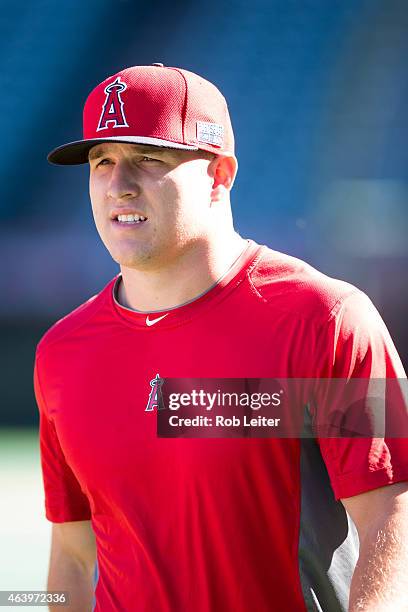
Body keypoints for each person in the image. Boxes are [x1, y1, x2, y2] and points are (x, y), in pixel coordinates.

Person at [34, 64, 408, 612]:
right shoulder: (62, 353)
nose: (119, 184)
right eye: (102, 161)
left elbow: (392, 516)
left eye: (148, 159)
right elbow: (72, 550)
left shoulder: (326, 318)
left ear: (219, 175)